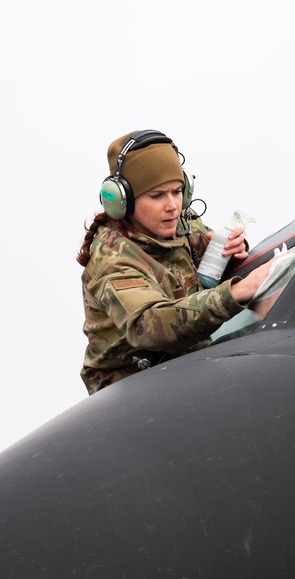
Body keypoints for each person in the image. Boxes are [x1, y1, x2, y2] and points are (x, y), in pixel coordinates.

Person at [77, 129, 273, 395]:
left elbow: (204, 250)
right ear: (125, 202)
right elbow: (148, 325)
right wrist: (234, 292)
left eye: (177, 191)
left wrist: (232, 249)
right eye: (157, 196)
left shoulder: (180, 220)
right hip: (133, 392)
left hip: (189, 360)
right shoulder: (112, 258)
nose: (172, 205)